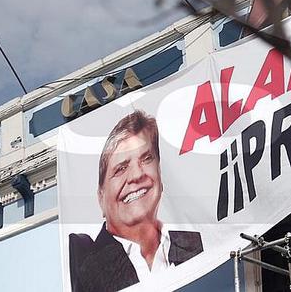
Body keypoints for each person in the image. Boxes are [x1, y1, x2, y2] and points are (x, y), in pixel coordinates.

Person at [68, 110, 203, 292]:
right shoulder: (88, 270)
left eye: (146, 159)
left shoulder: (193, 244)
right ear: (101, 198)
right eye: (121, 168)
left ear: (161, 174)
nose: (137, 175)